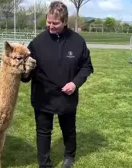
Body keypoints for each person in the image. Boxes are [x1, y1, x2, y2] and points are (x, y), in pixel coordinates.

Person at [20, 1, 94, 168]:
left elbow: (86, 66)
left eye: (55, 23)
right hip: (43, 96)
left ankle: (69, 156)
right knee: (43, 132)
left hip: (66, 96)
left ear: (65, 21)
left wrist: (75, 84)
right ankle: (44, 164)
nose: (51, 26)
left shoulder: (77, 42)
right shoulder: (37, 43)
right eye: (48, 22)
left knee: (68, 129)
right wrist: (22, 71)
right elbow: (26, 74)